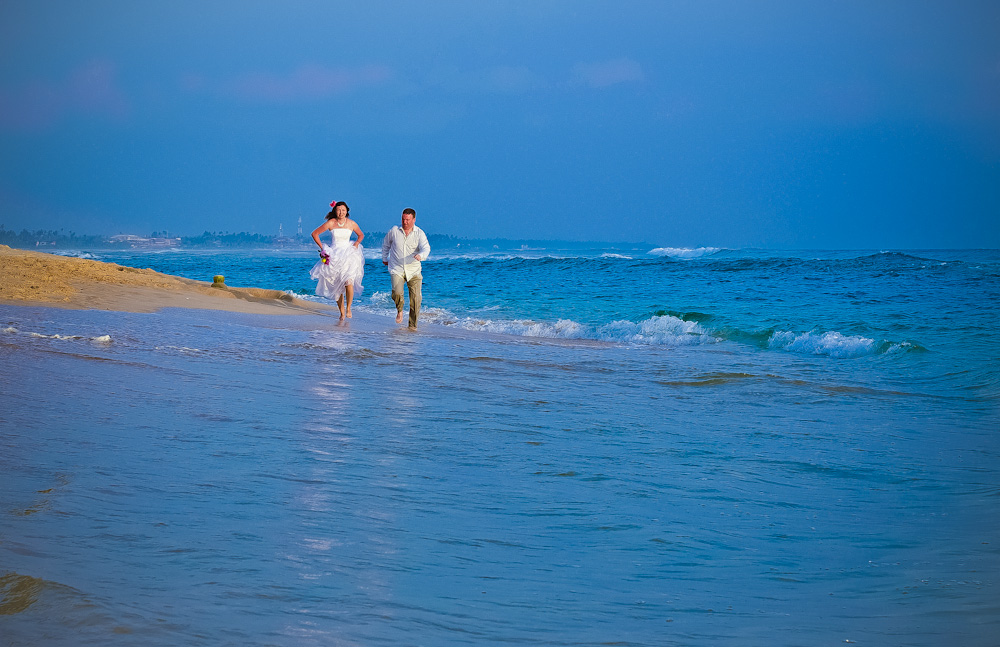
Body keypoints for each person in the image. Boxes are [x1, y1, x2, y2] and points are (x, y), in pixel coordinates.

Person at [309, 200, 365, 319]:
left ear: (347, 211)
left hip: (348, 254)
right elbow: (315, 234)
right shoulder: (331, 223)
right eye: (339, 210)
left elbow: (361, 235)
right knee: (337, 285)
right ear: (335, 211)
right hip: (334, 255)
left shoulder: (352, 223)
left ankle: (349, 308)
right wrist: (323, 248)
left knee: (348, 281)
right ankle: (342, 312)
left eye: (343, 210)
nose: (341, 212)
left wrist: (356, 244)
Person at [381, 207, 430, 329]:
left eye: (407, 220)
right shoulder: (394, 231)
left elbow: (426, 248)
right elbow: (386, 244)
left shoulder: (419, 233)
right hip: (396, 268)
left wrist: (421, 255)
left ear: (414, 219)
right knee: (397, 293)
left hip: (413, 270)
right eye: (403, 219)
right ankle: (400, 309)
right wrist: (384, 258)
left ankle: (412, 326)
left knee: (416, 299)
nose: (405, 222)